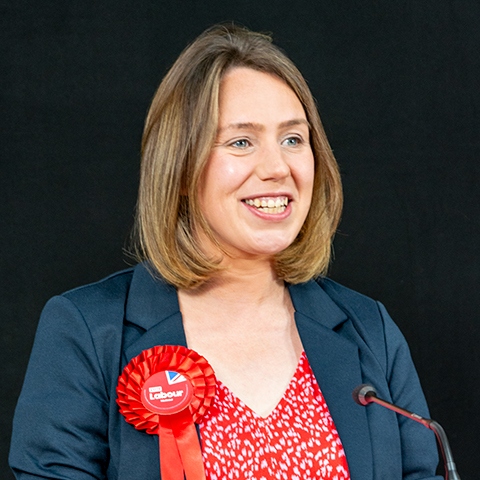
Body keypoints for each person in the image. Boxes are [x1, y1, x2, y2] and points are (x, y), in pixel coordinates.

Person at [10, 24, 441, 479]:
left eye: (293, 139)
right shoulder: (86, 332)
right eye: (241, 141)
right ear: (178, 168)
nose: (277, 167)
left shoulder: (369, 329)